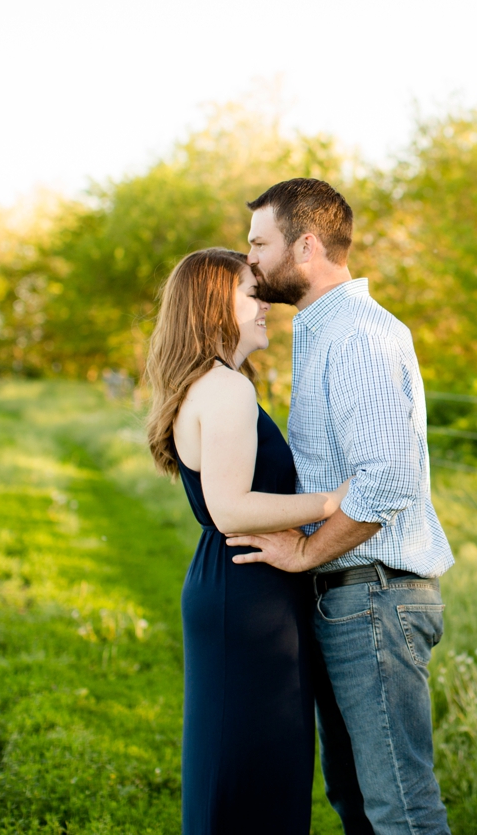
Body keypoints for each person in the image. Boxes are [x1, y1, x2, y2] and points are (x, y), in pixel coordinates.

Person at [226, 178, 455, 835]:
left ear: (304, 246)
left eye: (258, 244)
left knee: (399, 809)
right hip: (352, 599)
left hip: (374, 598)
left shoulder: (357, 335)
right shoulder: (325, 331)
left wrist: (304, 550)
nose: (249, 260)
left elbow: (386, 481)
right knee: (356, 804)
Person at [143, 247, 349, 835]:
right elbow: (230, 507)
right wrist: (333, 502)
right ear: (214, 306)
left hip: (235, 582)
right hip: (249, 588)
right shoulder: (225, 388)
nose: (266, 307)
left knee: (237, 763)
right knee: (253, 768)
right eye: (252, 294)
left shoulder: (206, 385)